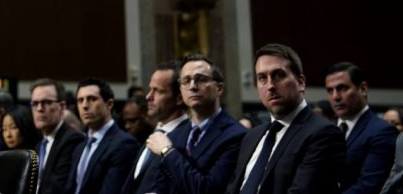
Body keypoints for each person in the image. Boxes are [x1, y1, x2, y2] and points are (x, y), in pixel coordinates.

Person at [226, 43, 345, 194]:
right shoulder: (251, 137)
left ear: (301, 82)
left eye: (278, 75)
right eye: (262, 78)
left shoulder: (324, 134)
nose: (270, 86)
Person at [147, 54, 246, 194]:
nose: (192, 86)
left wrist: (168, 152)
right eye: (186, 81)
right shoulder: (175, 135)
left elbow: (207, 189)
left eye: (201, 79)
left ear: (219, 88)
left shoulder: (236, 135)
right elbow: (160, 186)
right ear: (181, 90)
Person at [324, 61, 397, 193]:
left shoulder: (382, 131)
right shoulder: (325, 130)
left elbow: (369, 186)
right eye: (330, 90)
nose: (335, 97)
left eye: (342, 88)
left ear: (363, 89)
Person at [122, 60, 190, 194]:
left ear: (179, 98)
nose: (148, 97)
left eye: (157, 91)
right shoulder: (154, 133)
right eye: (150, 89)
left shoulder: (188, 137)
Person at [66, 77, 137, 194]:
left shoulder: (124, 144)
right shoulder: (80, 147)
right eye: (80, 100)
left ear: (109, 104)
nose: (84, 106)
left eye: (92, 99)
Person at [31, 78, 86, 194]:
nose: (39, 109)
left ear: (62, 107)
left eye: (46, 102)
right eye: (35, 103)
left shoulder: (72, 140)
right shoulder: (39, 145)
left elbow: (57, 188)